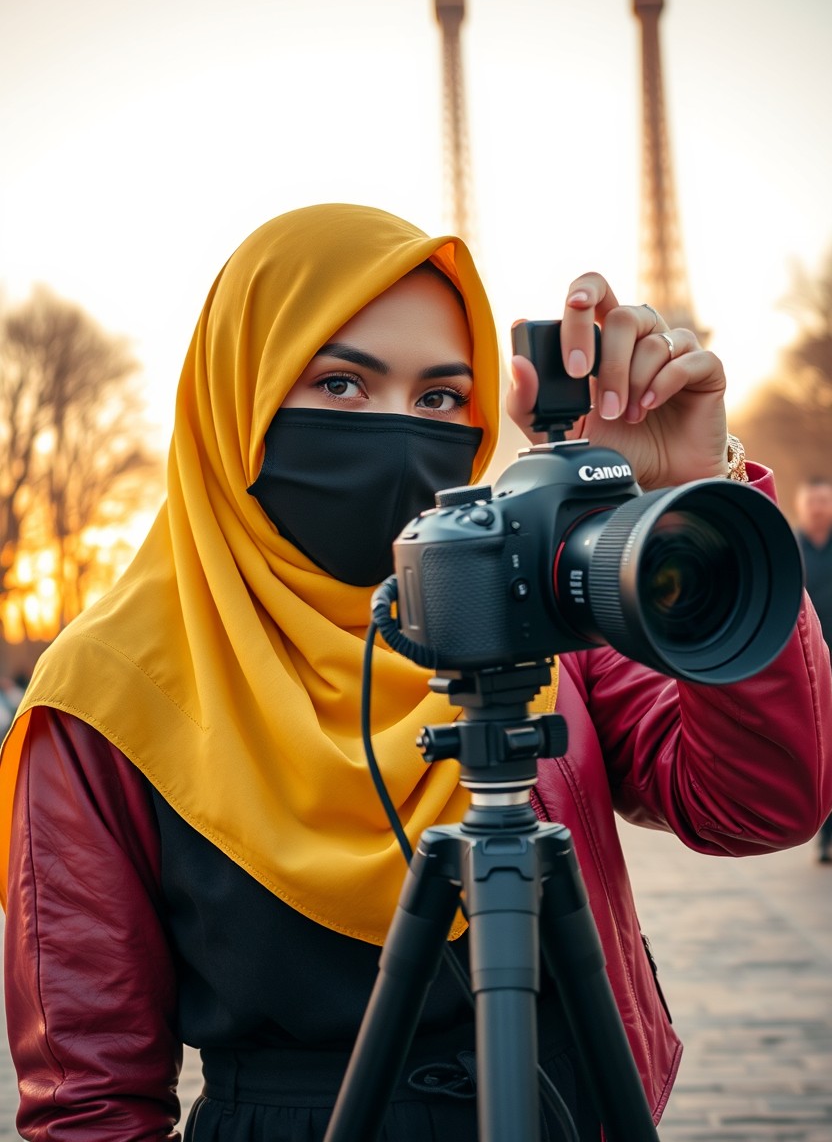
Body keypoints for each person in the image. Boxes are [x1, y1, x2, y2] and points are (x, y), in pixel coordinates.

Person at [1, 203, 830, 1142]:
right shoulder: (103, 697)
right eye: (343, 384)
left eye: (440, 398)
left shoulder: (537, 602)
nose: (401, 431)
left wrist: (690, 496)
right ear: (239, 399)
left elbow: (764, 803)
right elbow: (91, 1102)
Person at [793, 476, 832, 861]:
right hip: (811, 667)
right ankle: (824, 835)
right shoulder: (786, 546)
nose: (818, 507)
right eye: (812, 501)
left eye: (824, 500)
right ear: (801, 505)